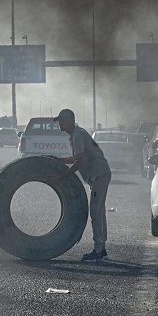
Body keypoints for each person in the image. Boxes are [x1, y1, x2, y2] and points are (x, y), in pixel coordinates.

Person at [48, 108, 111, 261]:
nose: (59, 124)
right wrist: (58, 159)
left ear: (69, 121)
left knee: (95, 212)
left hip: (99, 175)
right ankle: (101, 248)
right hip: (100, 174)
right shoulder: (76, 134)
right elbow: (78, 158)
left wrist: (61, 177)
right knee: (99, 212)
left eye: (62, 121)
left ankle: (98, 249)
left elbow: (80, 162)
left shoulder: (77, 135)